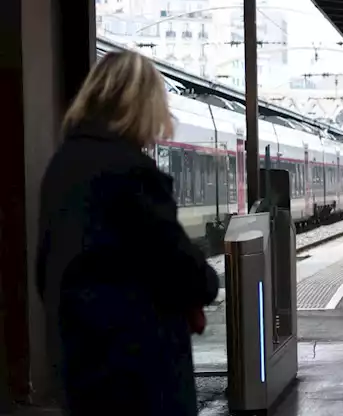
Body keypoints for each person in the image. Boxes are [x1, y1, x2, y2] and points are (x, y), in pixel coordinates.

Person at [36, 50, 219, 416]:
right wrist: (207, 280)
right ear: (143, 106)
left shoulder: (62, 166)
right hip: (139, 376)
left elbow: (46, 271)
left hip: (80, 366)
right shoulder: (131, 172)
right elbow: (181, 267)